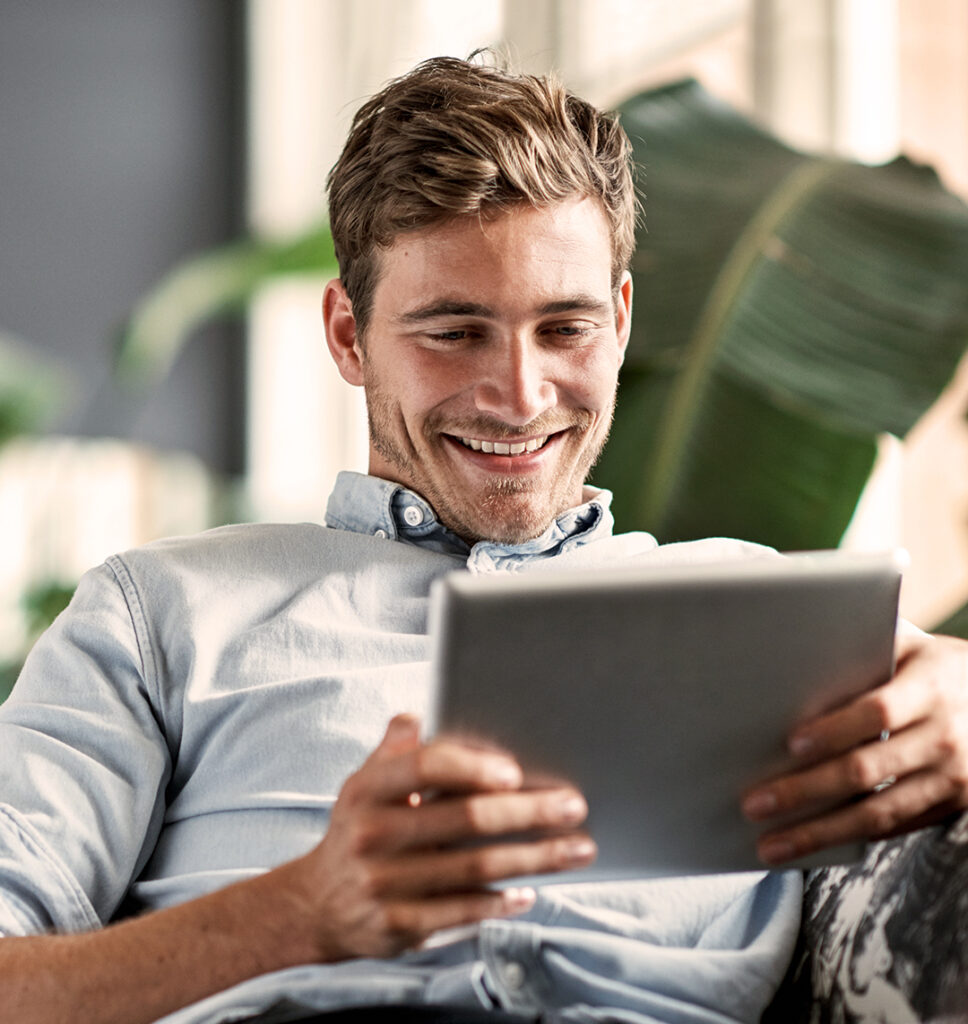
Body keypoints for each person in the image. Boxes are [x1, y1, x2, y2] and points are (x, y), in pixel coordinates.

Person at [2, 55, 967, 1024]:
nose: (519, 394)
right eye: (453, 331)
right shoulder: (163, 609)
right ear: (348, 333)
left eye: (564, 328)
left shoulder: (764, 614)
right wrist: (297, 912)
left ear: (620, 321)